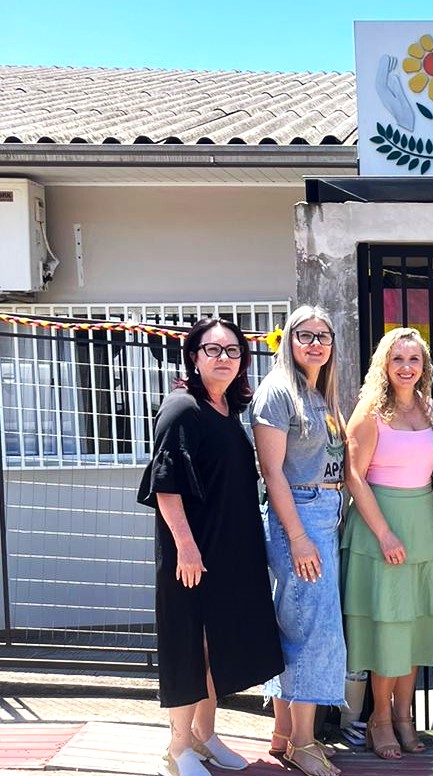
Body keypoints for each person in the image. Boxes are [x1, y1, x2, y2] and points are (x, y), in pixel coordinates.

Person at [138, 318, 284, 776]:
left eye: (233, 351)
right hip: (194, 555)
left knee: (216, 644)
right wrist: (186, 546)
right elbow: (166, 485)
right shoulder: (182, 409)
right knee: (192, 646)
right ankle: (178, 747)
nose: (224, 358)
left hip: (229, 551)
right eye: (213, 349)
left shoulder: (227, 410)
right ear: (193, 356)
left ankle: (204, 736)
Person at [340, 328, 433, 759]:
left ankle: (405, 716)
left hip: (424, 523)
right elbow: (353, 476)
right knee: (387, 628)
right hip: (379, 525)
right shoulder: (369, 411)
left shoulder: (428, 408)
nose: (407, 367)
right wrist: (384, 532)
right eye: (398, 359)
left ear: (424, 366)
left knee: (419, 624)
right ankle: (379, 720)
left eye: (414, 360)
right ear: (385, 364)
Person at [252, 306, 347, 776]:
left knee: (298, 622)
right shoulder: (278, 392)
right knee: (315, 630)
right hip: (300, 515)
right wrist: (298, 538)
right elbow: (273, 473)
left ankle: (285, 735)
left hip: (324, 512)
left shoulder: (321, 392)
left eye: (323, 336)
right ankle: (306, 743)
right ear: (289, 340)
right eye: (305, 335)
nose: (315, 344)